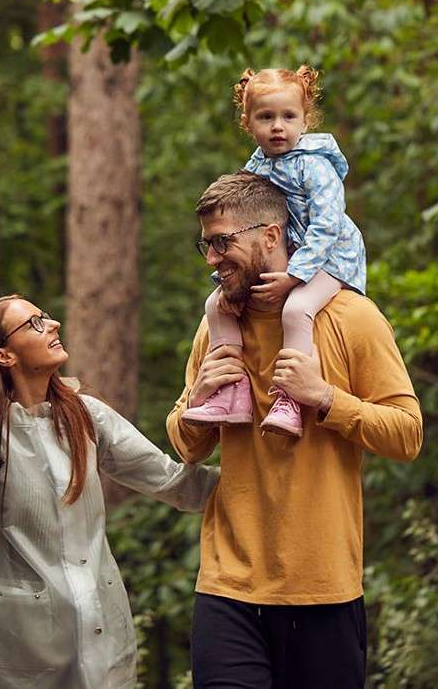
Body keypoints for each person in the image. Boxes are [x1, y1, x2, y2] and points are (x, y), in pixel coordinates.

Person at [167, 171, 423, 688]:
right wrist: (197, 401)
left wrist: (325, 398)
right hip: (227, 587)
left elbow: (407, 435)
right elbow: (188, 447)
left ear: (270, 235)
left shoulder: (352, 317)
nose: (212, 258)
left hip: (323, 588)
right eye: (206, 245)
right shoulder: (216, 328)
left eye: (222, 242)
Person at [0, 295, 218, 689]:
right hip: (20, 662)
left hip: (104, 646)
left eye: (46, 317)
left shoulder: (87, 416)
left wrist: (265, 482)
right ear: (3, 356)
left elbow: (175, 483)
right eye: (33, 324)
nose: (53, 325)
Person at [181, 65, 366, 438]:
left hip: (331, 257)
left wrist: (296, 275)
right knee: (216, 305)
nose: (278, 127)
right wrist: (228, 277)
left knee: (297, 309)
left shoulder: (315, 165)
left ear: (305, 120)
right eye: (266, 117)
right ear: (248, 123)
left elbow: (327, 225)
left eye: (288, 117)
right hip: (292, 254)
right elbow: (245, 221)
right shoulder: (257, 166)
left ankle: (290, 399)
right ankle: (231, 390)